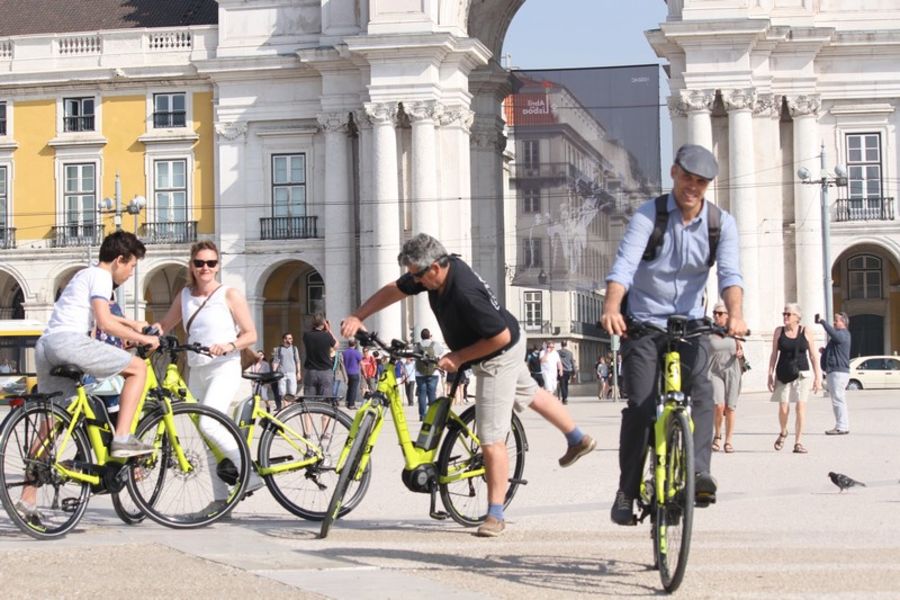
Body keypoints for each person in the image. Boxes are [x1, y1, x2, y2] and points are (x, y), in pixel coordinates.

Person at [340, 233, 596, 538]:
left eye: (417, 275)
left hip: (496, 354)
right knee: (530, 393)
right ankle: (578, 438)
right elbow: (395, 290)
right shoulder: (433, 273)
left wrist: (459, 357)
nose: (414, 280)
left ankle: (495, 515)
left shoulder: (464, 292)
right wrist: (358, 315)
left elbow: (498, 337)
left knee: (490, 437)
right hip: (506, 338)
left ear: (435, 267)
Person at [601, 144, 746, 526]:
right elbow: (625, 265)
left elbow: (730, 274)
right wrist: (612, 307)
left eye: (701, 182)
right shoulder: (650, 215)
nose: (693, 188)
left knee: (702, 391)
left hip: (691, 325)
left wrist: (736, 315)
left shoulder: (720, 223)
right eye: (687, 178)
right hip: (645, 323)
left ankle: (698, 474)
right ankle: (626, 491)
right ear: (673, 173)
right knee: (642, 406)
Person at [19, 232, 159, 519]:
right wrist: (142, 339)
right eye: (132, 266)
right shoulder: (101, 276)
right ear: (119, 259)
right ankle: (123, 437)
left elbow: (102, 313)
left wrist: (133, 323)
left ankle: (26, 498)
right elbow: (105, 323)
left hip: (47, 346)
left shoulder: (86, 276)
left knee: (53, 424)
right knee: (138, 369)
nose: (131, 273)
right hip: (70, 343)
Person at [152, 240, 262, 511]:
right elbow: (165, 325)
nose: (205, 268)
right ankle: (220, 500)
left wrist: (229, 345)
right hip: (196, 368)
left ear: (217, 265)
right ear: (191, 265)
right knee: (206, 435)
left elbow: (251, 334)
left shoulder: (229, 294)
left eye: (211, 263)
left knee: (209, 425)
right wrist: (142, 334)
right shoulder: (185, 295)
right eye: (199, 262)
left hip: (223, 367)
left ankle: (249, 474)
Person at [767, 303, 821, 454]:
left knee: (800, 407)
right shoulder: (779, 331)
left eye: (788, 314)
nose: (785, 316)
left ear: (797, 317)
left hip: (802, 373)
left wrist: (818, 377)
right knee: (783, 407)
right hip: (783, 373)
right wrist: (770, 374)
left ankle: (798, 442)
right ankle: (783, 431)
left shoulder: (806, 331)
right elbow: (773, 355)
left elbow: (813, 355)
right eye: (784, 314)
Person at [707, 301, 744, 454]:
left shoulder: (734, 331)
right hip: (714, 371)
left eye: (720, 313)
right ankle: (717, 435)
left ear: (727, 315)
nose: (717, 316)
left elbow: (740, 350)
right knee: (719, 404)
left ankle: (729, 440)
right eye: (715, 313)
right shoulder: (708, 332)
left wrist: (741, 353)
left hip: (732, 371)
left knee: (730, 407)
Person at [817, 312, 851, 435]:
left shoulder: (843, 334)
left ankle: (841, 426)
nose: (834, 323)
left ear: (843, 322)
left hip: (838, 372)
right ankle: (843, 425)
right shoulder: (840, 336)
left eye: (836, 320)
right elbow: (835, 351)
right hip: (836, 371)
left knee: (838, 400)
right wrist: (824, 352)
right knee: (839, 399)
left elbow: (833, 334)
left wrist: (822, 322)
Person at [302, 313, 338, 398]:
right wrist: (329, 329)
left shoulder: (307, 335)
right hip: (325, 371)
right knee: (325, 401)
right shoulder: (327, 335)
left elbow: (311, 331)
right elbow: (336, 345)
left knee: (309, 400)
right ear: (324, 323)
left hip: (311, 371)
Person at [414, 328, 444, 421]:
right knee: (432, 393)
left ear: (421, 336)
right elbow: (441, 352)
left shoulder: (417, 346)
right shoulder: (435, 344)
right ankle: (432, 415)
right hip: (433, 372)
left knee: (422, 394)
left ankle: (422, 415)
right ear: (429, 335)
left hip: (419, 373)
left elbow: (414, 355)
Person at [272, 333, 301, 398]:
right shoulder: (279, 349)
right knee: (282, 392)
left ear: (292, 340)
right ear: (283, 339)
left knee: (292, 392)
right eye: (286, 338)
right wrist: (274, 373)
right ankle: (285, 407)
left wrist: (298, 372)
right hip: (282, 373)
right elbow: (276, 361)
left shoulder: (294, 348)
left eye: (290, 338)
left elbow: (297, 361)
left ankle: (291, 407)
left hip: (292, 373)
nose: (288, 340)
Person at [342, 339, 363, 409]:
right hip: (354, 372)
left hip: (347, 373)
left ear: (348, 344)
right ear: (355, 345)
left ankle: (347, 402)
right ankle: (351, 404)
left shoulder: (344, 352)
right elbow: (361, 363)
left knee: (349, 388)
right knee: (353, 389)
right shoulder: (357, 353)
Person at [557, 340, 576, 404]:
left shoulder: (557, 352)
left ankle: (564, 398)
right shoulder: (570, 353)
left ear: (561, 344)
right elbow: (572, 363)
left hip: (560, 370)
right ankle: (565, 397)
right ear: (566, 345)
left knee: (562, 384)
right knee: (566, 384)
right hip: (568, 370)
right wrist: (574, 372)